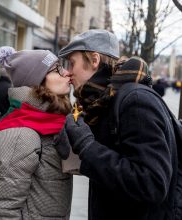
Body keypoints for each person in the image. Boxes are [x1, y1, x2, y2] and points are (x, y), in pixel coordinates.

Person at [55, 29, 178, 220]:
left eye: (72, 63)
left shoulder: (135, 101)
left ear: (94, 60)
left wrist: (87, 146)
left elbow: (151, 183)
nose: (68, 73)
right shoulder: (105, 103)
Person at [0, 46, 73, 219]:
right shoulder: (22, 135)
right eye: (57, 69)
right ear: (37, 82)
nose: (67, 73)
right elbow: (1, 211)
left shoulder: (51, 123)